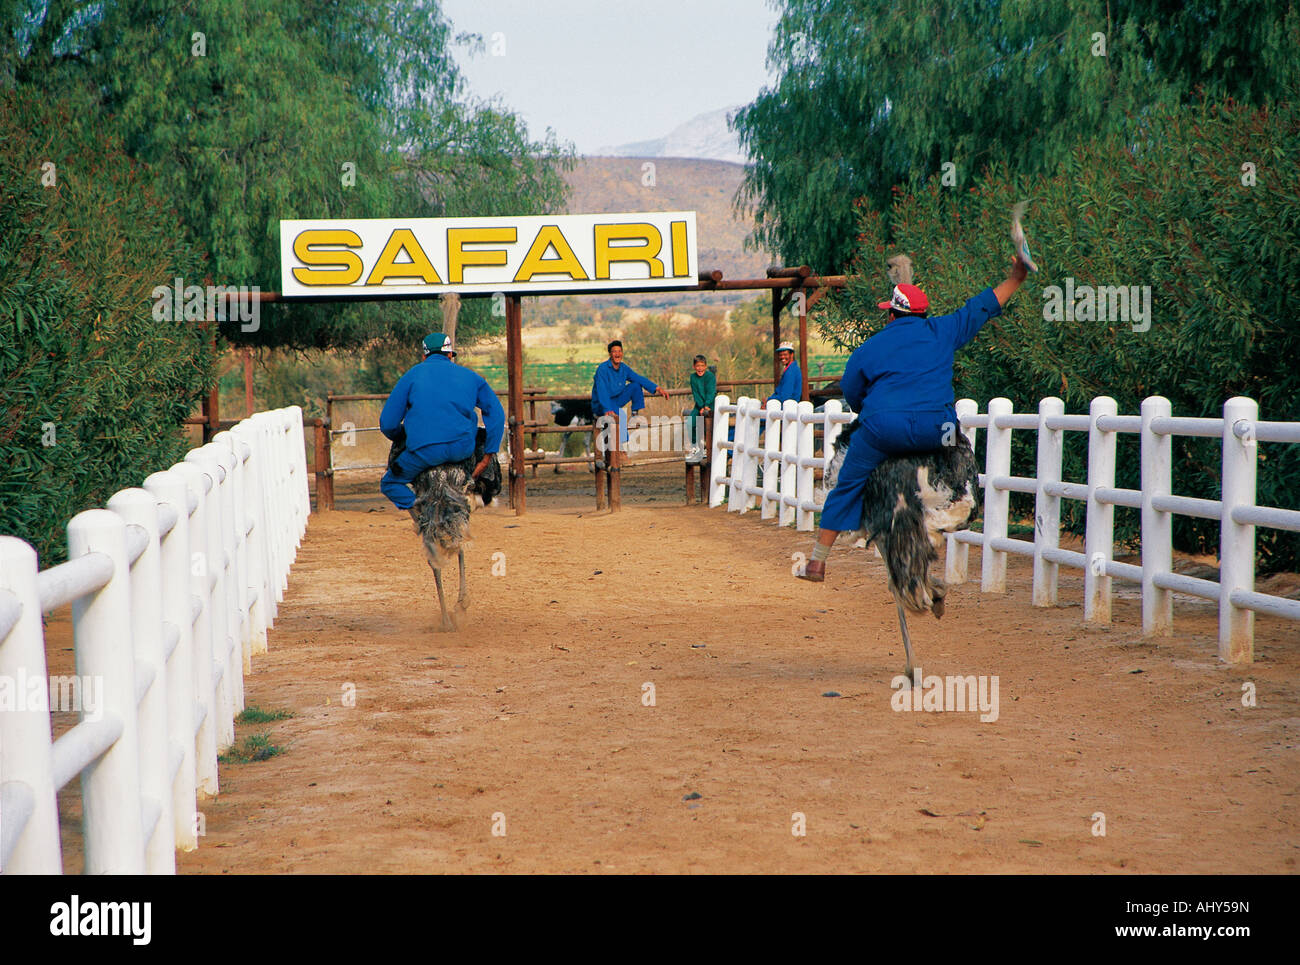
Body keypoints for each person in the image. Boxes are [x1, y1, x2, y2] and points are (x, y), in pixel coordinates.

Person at [799, 257, 1030, 582]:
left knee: (847, 483)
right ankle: (960, 501)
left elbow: (852, 389)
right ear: (923, 313)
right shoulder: (943, 329)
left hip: (882, 430)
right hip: (939, 430)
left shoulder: (871, 346)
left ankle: (817, 562)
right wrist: (1017, 277)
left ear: (891, 314)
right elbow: (983, 305)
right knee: (959, 450)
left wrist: (868, 412)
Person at [379, 332, 504, 518]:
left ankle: (420, 508)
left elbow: (387, 424)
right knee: (484, 450)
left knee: (390, 483)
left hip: (423, 452)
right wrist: (488, 455)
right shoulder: (471, 377)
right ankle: (480, 495)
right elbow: (496, 413)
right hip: (462, 449)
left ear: (424, 356)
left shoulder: (411, 376)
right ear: (450, 355)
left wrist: (402, 435)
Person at [591, 339, 669, 462]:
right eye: (614, 351)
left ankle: (635, 415)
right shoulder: (603, 369)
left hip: (616, 400)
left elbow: (638, 378)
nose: (617, 354)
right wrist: (607, 409)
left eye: (619, 351)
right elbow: (602, 391)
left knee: (636, 385)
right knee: (619, 413)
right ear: (610, 354)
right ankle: (621, 450)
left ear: (622, 353)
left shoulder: (624, 368)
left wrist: (656, 388)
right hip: (602, 403)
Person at [685, 354, 716, 461]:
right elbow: (696, 393)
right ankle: (695, 447)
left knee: (708, 425)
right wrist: (701, 406)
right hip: (699, 405)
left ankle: (707, 448)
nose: (700, 368)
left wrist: (706, 405)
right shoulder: (693, 377)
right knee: (690, 423)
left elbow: (711, 392)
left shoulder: (710, 377)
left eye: (702, 366)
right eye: (697, 366)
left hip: (710, 405)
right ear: (694, 367)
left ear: (706, 366)